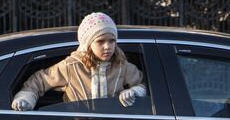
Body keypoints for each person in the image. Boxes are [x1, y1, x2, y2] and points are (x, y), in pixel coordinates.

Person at [11, 12, 146, 111]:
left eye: (112, 41)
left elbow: (147, 85)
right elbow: (38, 81)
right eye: (100, 41)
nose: (107, 46)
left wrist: (134, 91)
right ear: (88, 44)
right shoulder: (72, 66)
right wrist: (25, 99)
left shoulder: (122, 66)